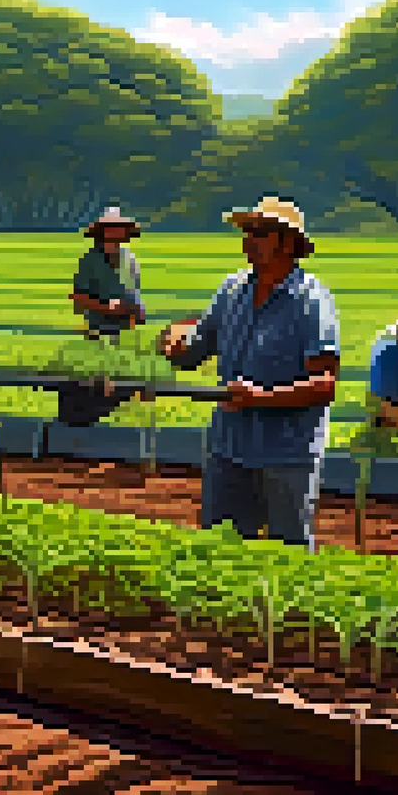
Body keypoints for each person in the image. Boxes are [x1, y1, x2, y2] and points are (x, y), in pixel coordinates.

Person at [159, 196, 341, 552]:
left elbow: (325, 384)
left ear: (288, 244)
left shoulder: (311, 301)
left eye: (259, 233)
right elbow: (194, 350)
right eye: (247, 232)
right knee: (219, 549)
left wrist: (262, 398)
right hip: (229, 446)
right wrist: (172, 344)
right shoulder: (231, 292)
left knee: (288, 552)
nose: (248, 241)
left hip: (286, 453)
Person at [72, 206, 146, 341]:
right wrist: (105, 307)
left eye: (119, 228)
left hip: (125, 327)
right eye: (111, 227)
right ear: (103, 231)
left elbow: (134, 292)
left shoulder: (130, 259)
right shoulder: (90, 260)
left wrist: (137, 310)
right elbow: (78, 296)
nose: (116, 232)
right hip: (96, 326)